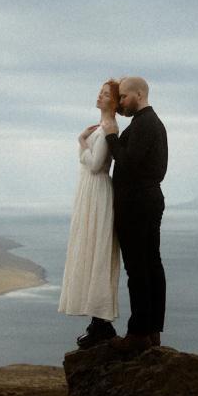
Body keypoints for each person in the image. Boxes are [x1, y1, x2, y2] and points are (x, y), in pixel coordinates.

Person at [101, 76, 168, 352]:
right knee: (151, 264)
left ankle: (139, 333)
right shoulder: (152, 123)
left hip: (136, 203)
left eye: (124, 97)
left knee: (138, 268)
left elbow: (128, 161)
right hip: (148, 200)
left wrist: (111, 135)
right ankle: (152, 330)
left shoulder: (144, 124)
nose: (121, 103)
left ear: (139, 94)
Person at [58, 80, 122, 349]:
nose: (99, 96)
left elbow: (95, 165)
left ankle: (101, 323)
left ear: (115, 102)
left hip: (97, 191)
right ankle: (98, 322)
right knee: (90, 249)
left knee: (97, 251)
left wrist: (81, 142)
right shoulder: (102, 126)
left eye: (106, 94)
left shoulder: (108, 127)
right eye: (100, 92)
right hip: (91, 191)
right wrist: (84, 143)